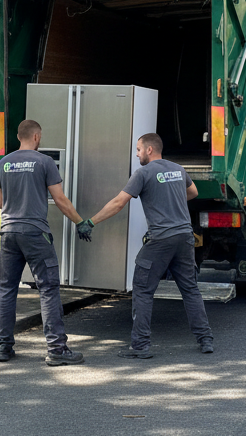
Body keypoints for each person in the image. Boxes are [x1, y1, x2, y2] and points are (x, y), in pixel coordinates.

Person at [79, 132, 213, 358]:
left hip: (161, 239)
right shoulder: (178, 169)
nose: (137, 153)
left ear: (150, 150)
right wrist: (171, 201)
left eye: (139, 149)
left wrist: (91, 221)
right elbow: (193, 192)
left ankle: (140, 346)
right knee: (190, 289)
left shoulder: (143, 173)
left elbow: (118, 203)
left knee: (142, 289)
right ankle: (205, 340)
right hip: (184, 237)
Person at [0, 119, 87, 366]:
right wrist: (80, 222)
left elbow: (0, 203)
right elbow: (61, 200)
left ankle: (3, 346)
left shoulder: (3, 163)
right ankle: (57, 349)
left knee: (7, 289)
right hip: (35, 233)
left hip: (8, 232)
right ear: (36, 137)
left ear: (18, 136)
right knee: (48, 288)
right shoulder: (44, 162)